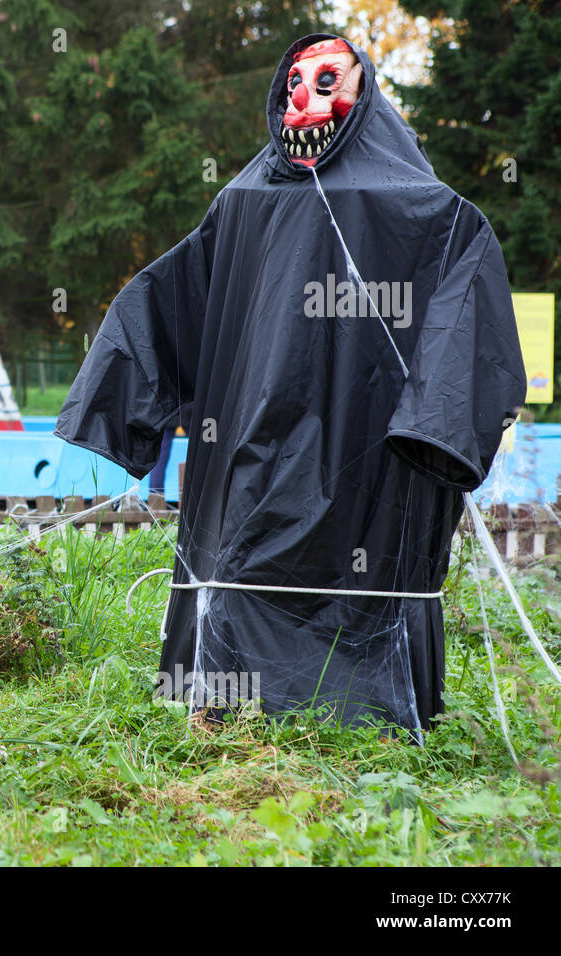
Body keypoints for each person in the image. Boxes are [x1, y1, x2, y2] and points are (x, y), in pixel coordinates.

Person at [55, 35, 525, 735]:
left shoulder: (432, 215)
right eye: (293, 82)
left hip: (372, 464)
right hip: (250, 451)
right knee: (249, 539)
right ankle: (226, 703)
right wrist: (122, 390)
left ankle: (368, 708)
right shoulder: (244, 203)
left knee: (350, 546)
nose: (303, 96)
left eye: (328, 79)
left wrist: (439, 425)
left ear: (364, 93)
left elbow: (470, 300)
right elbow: (173, 295)